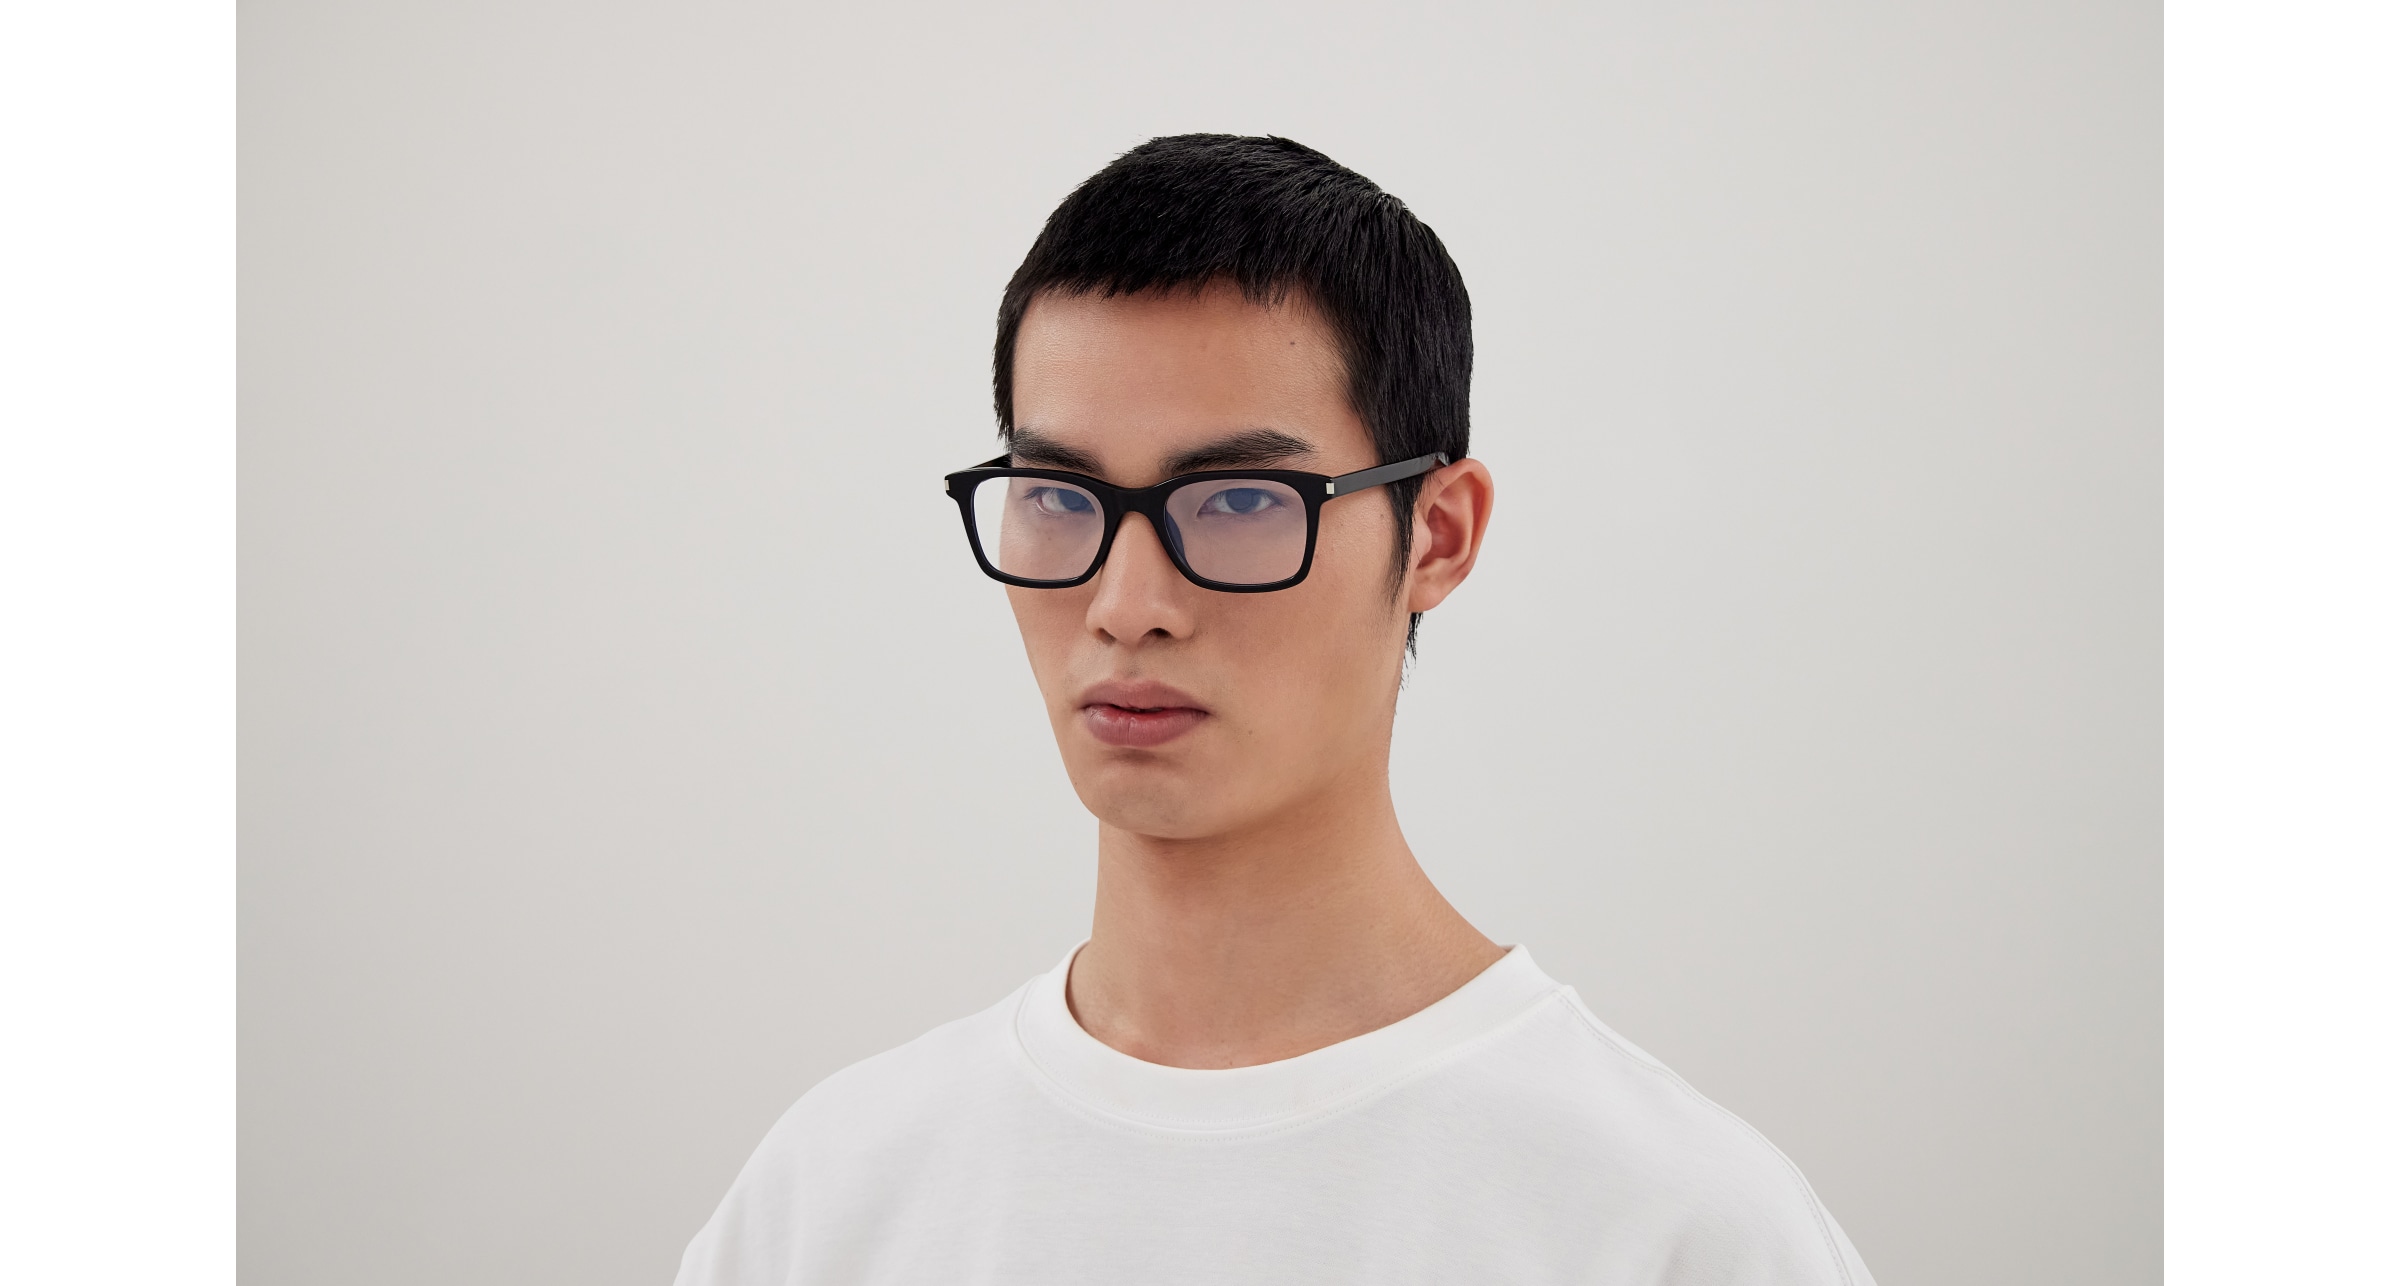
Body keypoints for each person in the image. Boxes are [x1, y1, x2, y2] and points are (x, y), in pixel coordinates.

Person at [675, 133, 1877, 1285]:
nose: (1126, 606)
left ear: (1437, 535)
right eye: (1058, 495)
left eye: (1240, 501)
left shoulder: (1670, 1227)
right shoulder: (826, 1199)